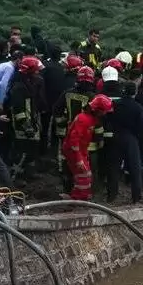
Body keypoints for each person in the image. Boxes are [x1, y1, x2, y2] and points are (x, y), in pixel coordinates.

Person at [101, 70, 143, 204]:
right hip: (131, 138)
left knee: (113, 167)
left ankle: (111, 195)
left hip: (115, 136)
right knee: (135, 168)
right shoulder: (138, 107)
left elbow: (107, 119)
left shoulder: (114, 105)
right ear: (134, 93)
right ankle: (136, 197)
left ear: (123, 91)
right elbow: (142, 127)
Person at [52, 64, 99, 193]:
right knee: (86, 166)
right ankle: (85, 192)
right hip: (88, 138)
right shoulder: (93, 97)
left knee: (69, 163)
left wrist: (63, 124)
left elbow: (56, 110)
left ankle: (68, 189)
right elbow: (99, 120)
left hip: (71, 134)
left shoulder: (67, 93)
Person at [61, 94, 113, 201]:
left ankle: (80, 196)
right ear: (97, 110)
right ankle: (77, 198)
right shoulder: (84, 119)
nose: (104, 114)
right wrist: (79, 159)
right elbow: (74, 140)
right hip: (73, 150)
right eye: (103, 111)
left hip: (80, 150)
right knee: (83, 174)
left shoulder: (90, 119)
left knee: (85, 174)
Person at [6, 55, 45, 177]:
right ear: (29, 72)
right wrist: (26, 126)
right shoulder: (19, 88)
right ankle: (16, 175)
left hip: (30, 121)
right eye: (36, 71)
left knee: (32, 149)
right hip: (21, 126)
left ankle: (29, 172)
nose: (38, 73)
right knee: (21, 150)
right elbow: (18, 110)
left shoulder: (29, 83)